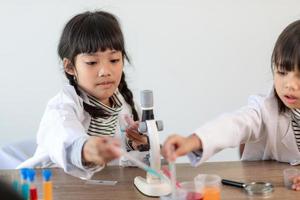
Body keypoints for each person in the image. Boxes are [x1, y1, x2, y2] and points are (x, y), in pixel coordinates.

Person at [162, 20, 300, 191]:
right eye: (281, 72)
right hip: (260, 190)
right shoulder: (264, 108)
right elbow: (233, 125)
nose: (289, 85)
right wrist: (194, 141)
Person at [18, 10, 148, 179]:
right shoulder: (62, 106)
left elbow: (134, 166)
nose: (105, 71)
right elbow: (65, 135)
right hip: (47, 184)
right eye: (92, 62)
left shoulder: (128, 106)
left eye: (114, 60)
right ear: (70, 67)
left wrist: (141, 145)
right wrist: (87, 149)